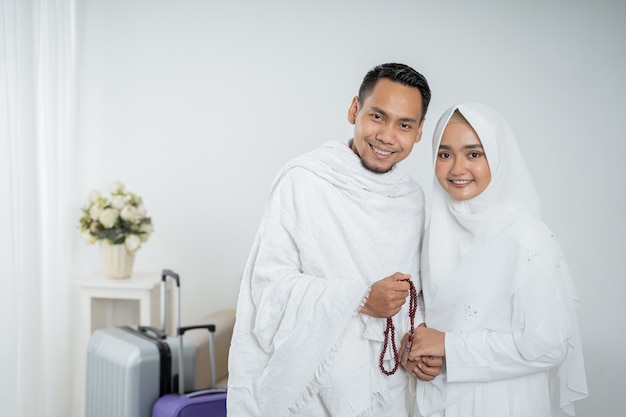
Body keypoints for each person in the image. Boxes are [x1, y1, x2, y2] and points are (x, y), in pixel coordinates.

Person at [227, 63, 440, 417]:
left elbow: (410, 298)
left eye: (404, 125)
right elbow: (267, 288)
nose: (388, 136)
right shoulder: (305, 180)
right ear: (354, 110)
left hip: (386, 391)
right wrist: (359, 299)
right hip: (311, 390)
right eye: (377, 116)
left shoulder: (411, 200)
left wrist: (411, 343)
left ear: (418, 133)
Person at [401, 102, 589, 416]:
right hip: (437, 396)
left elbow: (551, 346)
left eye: (474, 154)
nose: (457, 168)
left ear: (498, 156)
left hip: (503, 401)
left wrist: (448, 347)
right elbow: (426, 307)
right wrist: (416, 348)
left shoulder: (525, 235)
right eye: (445, 154)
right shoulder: (437, 231)